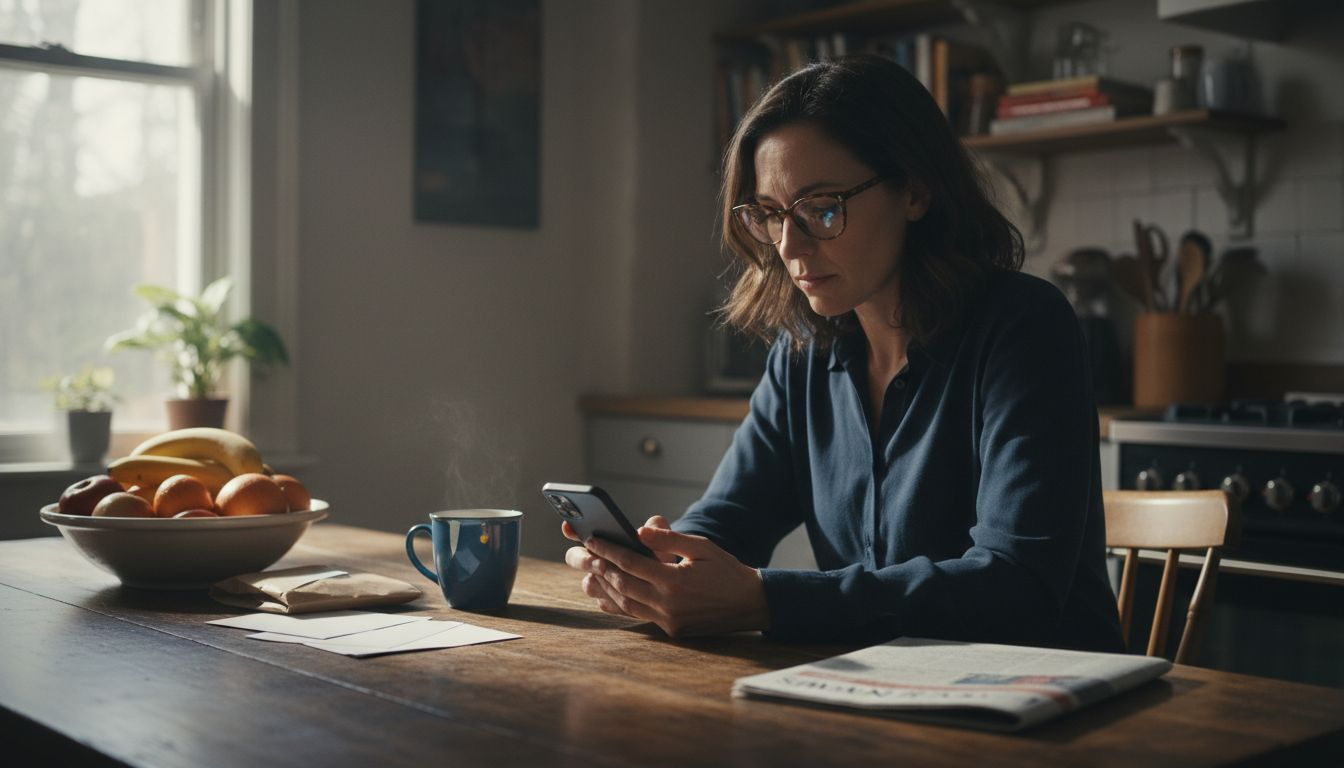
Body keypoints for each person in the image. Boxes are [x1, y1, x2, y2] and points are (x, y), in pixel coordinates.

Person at [563, 54, 1125, 652]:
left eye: (821, 209)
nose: (789, 247)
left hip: (1048, 705)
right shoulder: (803, 351)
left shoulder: (1023, 326)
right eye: (770, 215)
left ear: (915, 190)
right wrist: (662, 564)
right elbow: (731, 517)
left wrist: (764, 598)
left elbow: (1018, 587)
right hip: (880, 699)